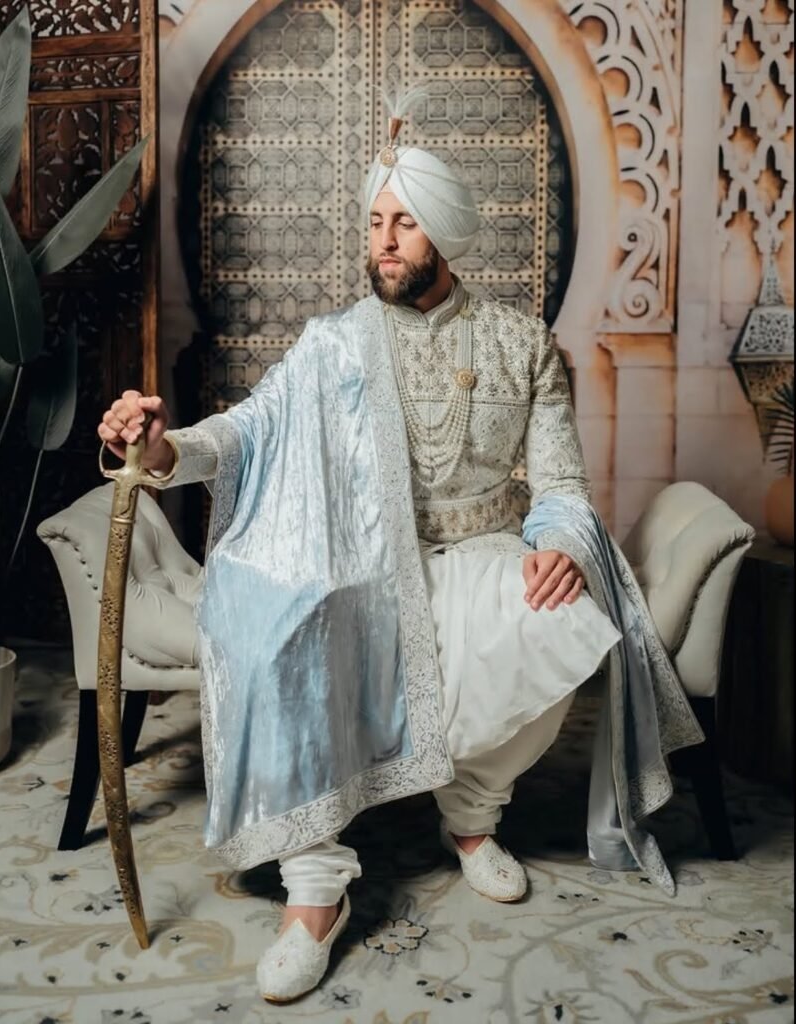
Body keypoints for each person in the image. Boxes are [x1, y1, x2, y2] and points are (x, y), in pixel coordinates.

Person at [98, 109, 702, 1004]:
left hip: (485, 545)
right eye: (375, 222)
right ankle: (314, 889)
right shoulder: (333, 343)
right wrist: (159, 450)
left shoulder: (521, 344)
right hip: (362, 558)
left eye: (404, 222)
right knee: (277, 626)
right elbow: (245, 431)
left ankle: (471, 816)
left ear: (443, 231)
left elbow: (562, 483)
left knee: (563, 620)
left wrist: (559, 544)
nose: (383, 241)